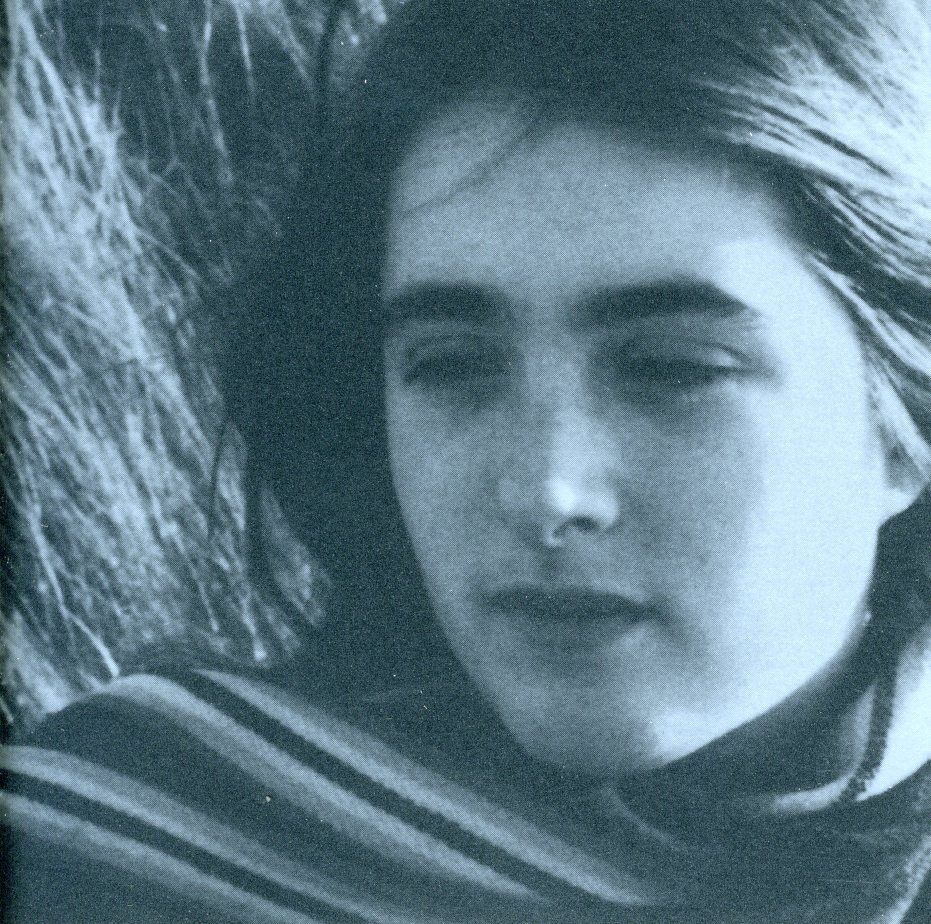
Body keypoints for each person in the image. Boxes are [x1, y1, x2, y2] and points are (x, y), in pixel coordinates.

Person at [4, 0, 931, 921]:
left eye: (672, 370)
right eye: (451, 365)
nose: (546, 492)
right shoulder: (98, 853)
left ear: (906, 424)